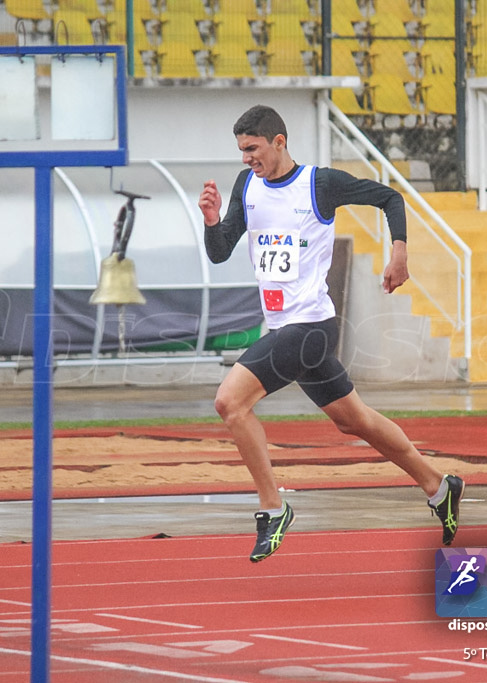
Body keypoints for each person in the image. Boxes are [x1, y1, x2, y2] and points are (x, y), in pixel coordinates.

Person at [198, 105, 463, 562]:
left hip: (311, 326)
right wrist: (211, 221)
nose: (246, 159)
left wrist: (398, 254)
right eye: (241, 150)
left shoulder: (319, 184)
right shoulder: (248, 186)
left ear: (279, 141)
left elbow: (390, 199)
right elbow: (221, 252)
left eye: (253, 149)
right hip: (285, 328)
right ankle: (439, 486)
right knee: (353, 420)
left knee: (230, 402)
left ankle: (272, 509)